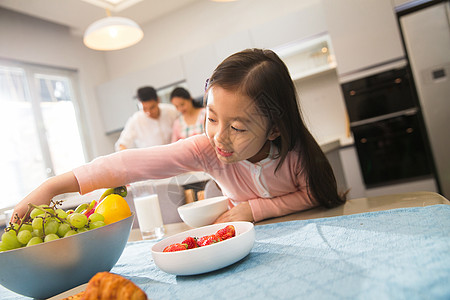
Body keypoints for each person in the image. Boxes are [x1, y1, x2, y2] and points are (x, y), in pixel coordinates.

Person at [12, 48, 346, 224]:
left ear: (275, 128)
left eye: (238, 128)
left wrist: (253, 210)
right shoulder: (206, 149)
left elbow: (316, 196)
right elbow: (128, 164)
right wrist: (51, 186)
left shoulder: (296, 154)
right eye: (211, 118)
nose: (219, 138)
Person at [115, 86, 178, 151]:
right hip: (151, 159)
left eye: (152, 108)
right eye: (144, 109)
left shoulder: (171, 111)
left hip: (174, 155)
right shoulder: (136, 120)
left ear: (158, 101)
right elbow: (122, 144)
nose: (149, 112)